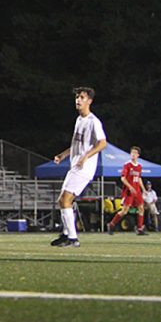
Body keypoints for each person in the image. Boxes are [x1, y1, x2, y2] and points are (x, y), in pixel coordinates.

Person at [50, 87, 108, 248]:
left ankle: (72, 237)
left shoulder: (93, 121)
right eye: (77, 97)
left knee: (65, 200)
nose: (78, 100)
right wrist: (63, 155)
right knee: (62, 201)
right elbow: (76, 144)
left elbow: (103, 143)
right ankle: (67, 234)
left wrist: (86, 157)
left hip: (84, 168)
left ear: (89, 101)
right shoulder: (79, 120)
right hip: (75, 166)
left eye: (82, 97)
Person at [107, 146, 146, 235]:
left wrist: (143, 189)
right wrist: (130, 187)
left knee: (141, 208)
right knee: (125, 210)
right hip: (128, 191)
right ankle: (111, 225)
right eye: (132, 153)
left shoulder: (139, 166)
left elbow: (139, 178)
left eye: (135, 153)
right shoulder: (127, 165)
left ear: (138, 155)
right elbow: (123, 178)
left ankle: (140, 228)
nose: (133, 154)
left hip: (137, 191)